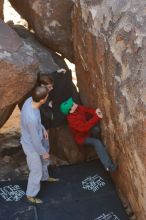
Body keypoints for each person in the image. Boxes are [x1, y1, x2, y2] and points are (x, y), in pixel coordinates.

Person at [20, 86, 59, 204]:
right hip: (31, 146)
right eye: (46, 96)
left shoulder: (29, 100)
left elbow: (37, 123)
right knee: (36, 170)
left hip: (38, 136)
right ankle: (30, 195)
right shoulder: (30, 118)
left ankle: (45, 177)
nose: (47, 97)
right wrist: (44, 153)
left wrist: (42, 129)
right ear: (42, 100)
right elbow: (35, 141)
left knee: (44, 162)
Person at [60, 98, 117, 172]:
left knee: (96, 129)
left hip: (88, 132)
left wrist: (95, 112)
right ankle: (109, 166)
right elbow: (84, 128)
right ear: (70, 110)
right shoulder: (71, 120)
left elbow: (86, 110)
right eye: (72, 104)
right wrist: (97, 117)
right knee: (97, 142)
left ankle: (99, 148)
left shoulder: (77, 108)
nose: (74, 103)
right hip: (81, 138)